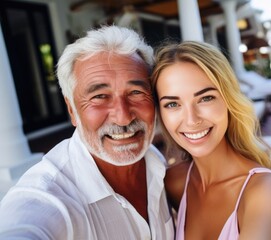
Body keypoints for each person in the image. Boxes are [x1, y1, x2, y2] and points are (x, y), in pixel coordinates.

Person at [0, 26, 174, 239]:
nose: (123, 117)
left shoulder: (157, 162)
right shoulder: (49, 195)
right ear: (72, 109)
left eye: (136, 92)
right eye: (100, 96)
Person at [152, 41, 271, 239]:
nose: (191, 120)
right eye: (173, 104)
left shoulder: (265, 191)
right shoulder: (175, 183)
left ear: (228, 100)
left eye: (205, 98)